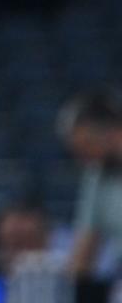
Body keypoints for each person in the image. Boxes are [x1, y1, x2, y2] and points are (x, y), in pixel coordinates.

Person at [58, 87, 122, 278]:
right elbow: (85, 249)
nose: (82, 159)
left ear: (114, 133)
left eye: (86, 146)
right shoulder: (96, 176)